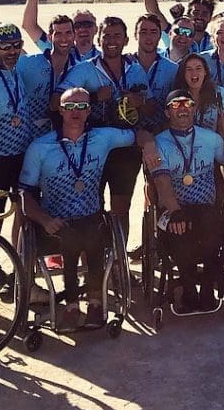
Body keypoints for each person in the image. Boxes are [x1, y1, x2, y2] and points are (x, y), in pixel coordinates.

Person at [18, 88, 136, 331]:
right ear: (60, 110)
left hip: (91, 216)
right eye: (70, 107)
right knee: (71, 236)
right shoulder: (40, 147)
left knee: (94, 231)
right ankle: (71, 305)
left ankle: (94, 302)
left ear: (89, 111)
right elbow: (24, 193)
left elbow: (137, 135)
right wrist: (43, 219)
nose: (76, 112)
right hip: (55, 220)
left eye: (82, 107)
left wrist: (150, 144)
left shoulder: (102, 137)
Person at [54, 17, 149, 241]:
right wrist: (94, 97)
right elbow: (55, 101)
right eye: (107, 36)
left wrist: (139, 102)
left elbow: (152, 106)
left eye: (117, 36)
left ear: (126, 40)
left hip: (126, 148)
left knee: (121, 208)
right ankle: (92, 266)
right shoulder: (84, 70)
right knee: (90, 209)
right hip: (91, 148)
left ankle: (118, 264)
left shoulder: (135, 70)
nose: (112, 41)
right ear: (99, 39)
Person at [142, 89, 224, 312]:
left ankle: (208, 289)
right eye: (176, 105)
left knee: (212, 223)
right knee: (178, 229)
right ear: (167, 112)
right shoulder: (159, 143)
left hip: (205, 208)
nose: (182, 109)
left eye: (187, 104)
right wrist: (175, 211)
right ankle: (189, 291)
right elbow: (161, 181)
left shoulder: (212, 139)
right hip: (173, 207)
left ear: (194, 109)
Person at [23, 0, 99, 62]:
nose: (82, 29)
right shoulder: (58, 50)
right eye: (77, 26)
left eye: (87, 25)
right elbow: (29, 25)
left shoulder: (105, 58)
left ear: (96, 29)